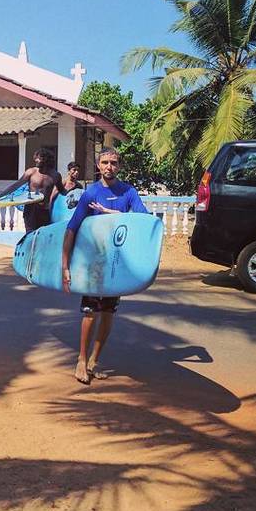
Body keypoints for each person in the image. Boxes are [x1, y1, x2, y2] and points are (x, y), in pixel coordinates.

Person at [62, 147, 149, 384]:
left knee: (108, 314)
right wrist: (65, 266)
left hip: (116, 264)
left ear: (119, 166)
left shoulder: (128, 192)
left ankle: (93, 362)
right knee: (90, 313)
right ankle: (81, 360)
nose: (109, 166)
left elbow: (143, 219)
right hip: (95, 262)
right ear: (98, 165)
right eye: (105, 162)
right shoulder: (90, 194)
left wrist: (110, 212)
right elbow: (72, 229)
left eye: (114, 162)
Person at [0, 147, 62, 233]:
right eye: (36, 158)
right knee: (30, 234)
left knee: (43, 235)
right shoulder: (31, 172)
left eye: (39, 158)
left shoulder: (55, 175)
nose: (36, 160)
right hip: (30, 209)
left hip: (44, 210)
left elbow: (62, 191)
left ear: (46, 159)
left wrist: (74, 195)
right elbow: (15, 186)